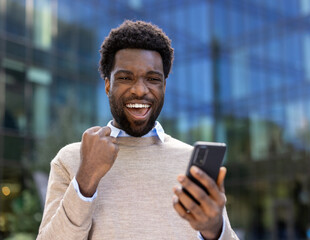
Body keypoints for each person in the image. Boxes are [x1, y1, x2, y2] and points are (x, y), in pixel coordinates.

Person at [37, 20, 239, 240]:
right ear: (107, 85)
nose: (140, 90)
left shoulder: (192, 163)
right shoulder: (71, 159)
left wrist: (214, 230)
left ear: (164, 86)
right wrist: (85, 179)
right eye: (125, 78)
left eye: (153, 79)